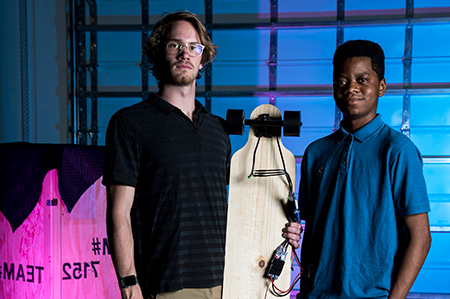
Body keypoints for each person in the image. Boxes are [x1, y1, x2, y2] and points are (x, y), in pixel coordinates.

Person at [103, 11, 302, 299]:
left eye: (194, 47)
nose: (185, 54)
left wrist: (280, 231)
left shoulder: (218, 130)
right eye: (175, 45)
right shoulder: (130, 123)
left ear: (203, 59)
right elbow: (118, 212)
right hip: (168, 283)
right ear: (159, 53)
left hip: (231, 280)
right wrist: (128, 281)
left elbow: (233, 210)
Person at [297, 40, 431, 299]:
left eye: (362, 80)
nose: (351, 89)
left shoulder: (398, 151)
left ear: (381, 87)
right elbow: (312, 231)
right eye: (343, 81)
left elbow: (421, 238)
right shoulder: (316, 152)